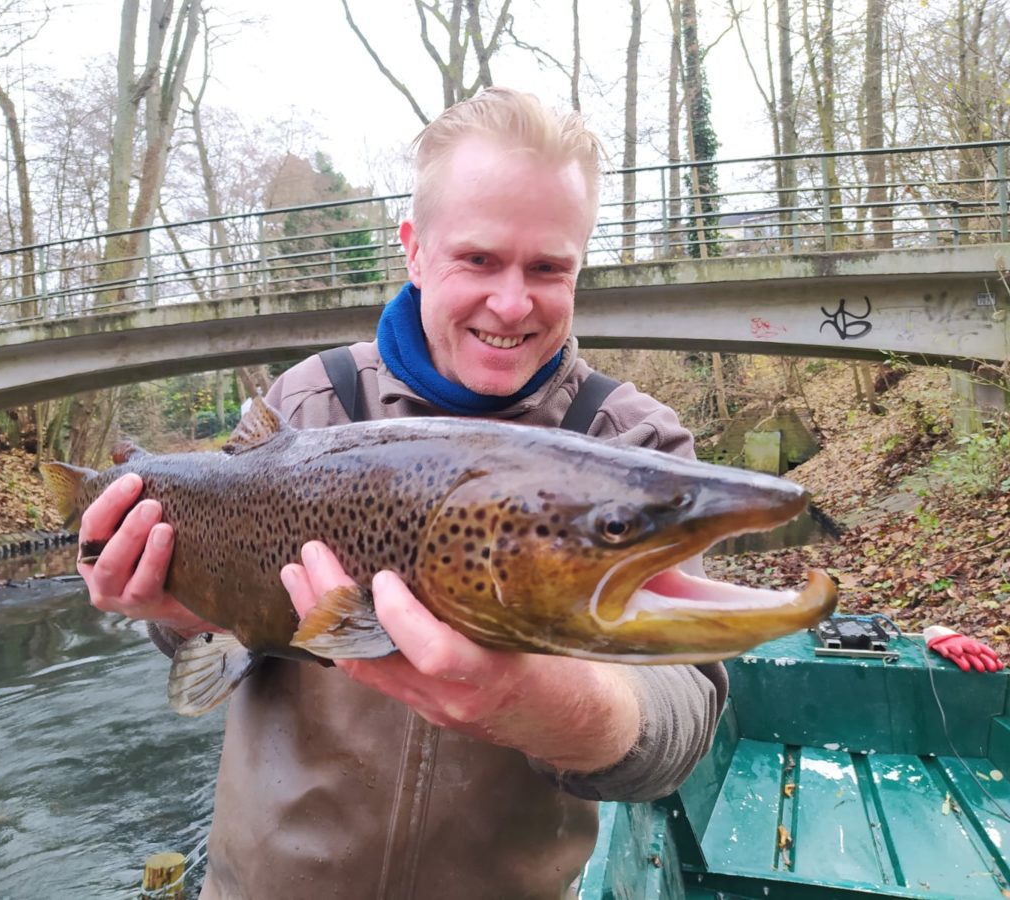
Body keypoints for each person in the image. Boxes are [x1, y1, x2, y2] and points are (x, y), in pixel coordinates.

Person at [78, 87, 727, 898]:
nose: (512, 303)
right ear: (415, 251)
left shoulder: (630, 448)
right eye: (479, 259)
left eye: (548, 267)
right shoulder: (310, 405)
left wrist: (533, 700)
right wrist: (168, 612)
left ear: (579, 266)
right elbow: (212, 636)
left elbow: (681, 723)